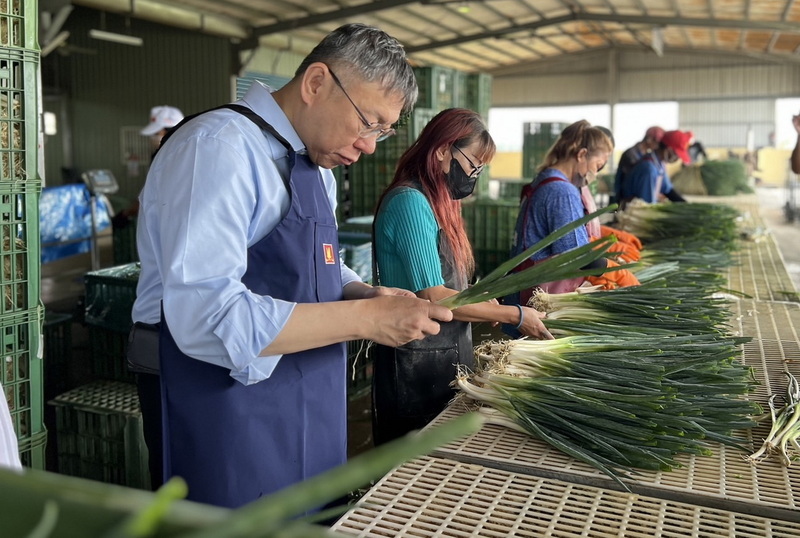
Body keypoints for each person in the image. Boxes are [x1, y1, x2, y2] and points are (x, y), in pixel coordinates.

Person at [131, 23, 453, 508]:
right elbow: (207, 316)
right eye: (368, 122)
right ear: (316, 83)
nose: (369, 145)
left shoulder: (314, 166)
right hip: (227, 412)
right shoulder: (219, 148)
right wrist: (366, 320)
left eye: (382, 132)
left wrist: (360, 292)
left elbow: (320, 263)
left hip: (308, 403)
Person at [371, 108, 553, 445]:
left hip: (442, 356)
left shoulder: (435, 202)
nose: (474, 174)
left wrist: (483, 299)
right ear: (442, 151)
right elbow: (435, 297)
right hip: (415, 363)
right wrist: (512, 314)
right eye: (473, 163)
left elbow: (450, 285)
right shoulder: (410, 203)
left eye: (481, 167)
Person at [506, 120, 640, 309]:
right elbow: (578, 257)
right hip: (538, 296)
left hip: (524, 286)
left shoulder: (546, 178)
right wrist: (617, 272)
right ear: (582, 154)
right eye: (597, 165)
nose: (595, 173)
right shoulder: (562, 191)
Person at [620, 129, 691, 206]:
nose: (677, 159)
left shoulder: (659, 165)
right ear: (668, 150)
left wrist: (686, 205)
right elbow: (646, 203)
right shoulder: (648, 169)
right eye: (677, 155)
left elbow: (668, 190)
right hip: (632, 210)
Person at [614, 126, 664, 204]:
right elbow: (632, 181)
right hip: (625, 197)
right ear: (649, 139)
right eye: (657, 143)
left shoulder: (646, 154)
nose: (658, 147)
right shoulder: (632, 154)